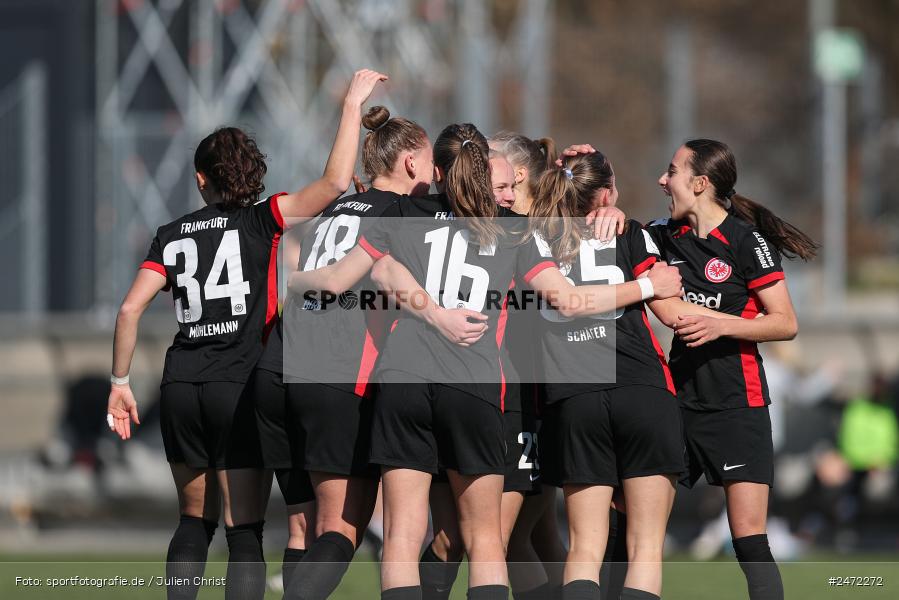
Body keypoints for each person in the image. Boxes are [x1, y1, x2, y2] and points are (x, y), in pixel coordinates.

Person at [105, 69, 387, 600]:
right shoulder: (265, 219)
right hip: (239, 385)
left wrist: (120, 382)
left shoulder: (170, 234)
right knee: (244, 532)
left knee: (193, 521)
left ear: (200, 179)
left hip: (181, 384)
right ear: (253, 173)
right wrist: (350, 107)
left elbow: (127, 310)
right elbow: (331, 186)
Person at [646, 138, 817, 600]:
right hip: (676, 401)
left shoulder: (746, 241)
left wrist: (719, 325)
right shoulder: (661, 235)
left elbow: (785, 323)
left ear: (700, 183)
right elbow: (621, 246)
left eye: (672, 172)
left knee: (748, 539)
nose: (663, 181)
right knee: (633, 524)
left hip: (737, 404)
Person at [276, 105, 433, 600]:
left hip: (299, 370)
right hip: (346, 377)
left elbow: (293, 248)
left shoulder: (339, 207)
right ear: (410, 163)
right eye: (431, 162)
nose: (436, 174)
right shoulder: (399, 211)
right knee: (340, 532)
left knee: (310, 527)